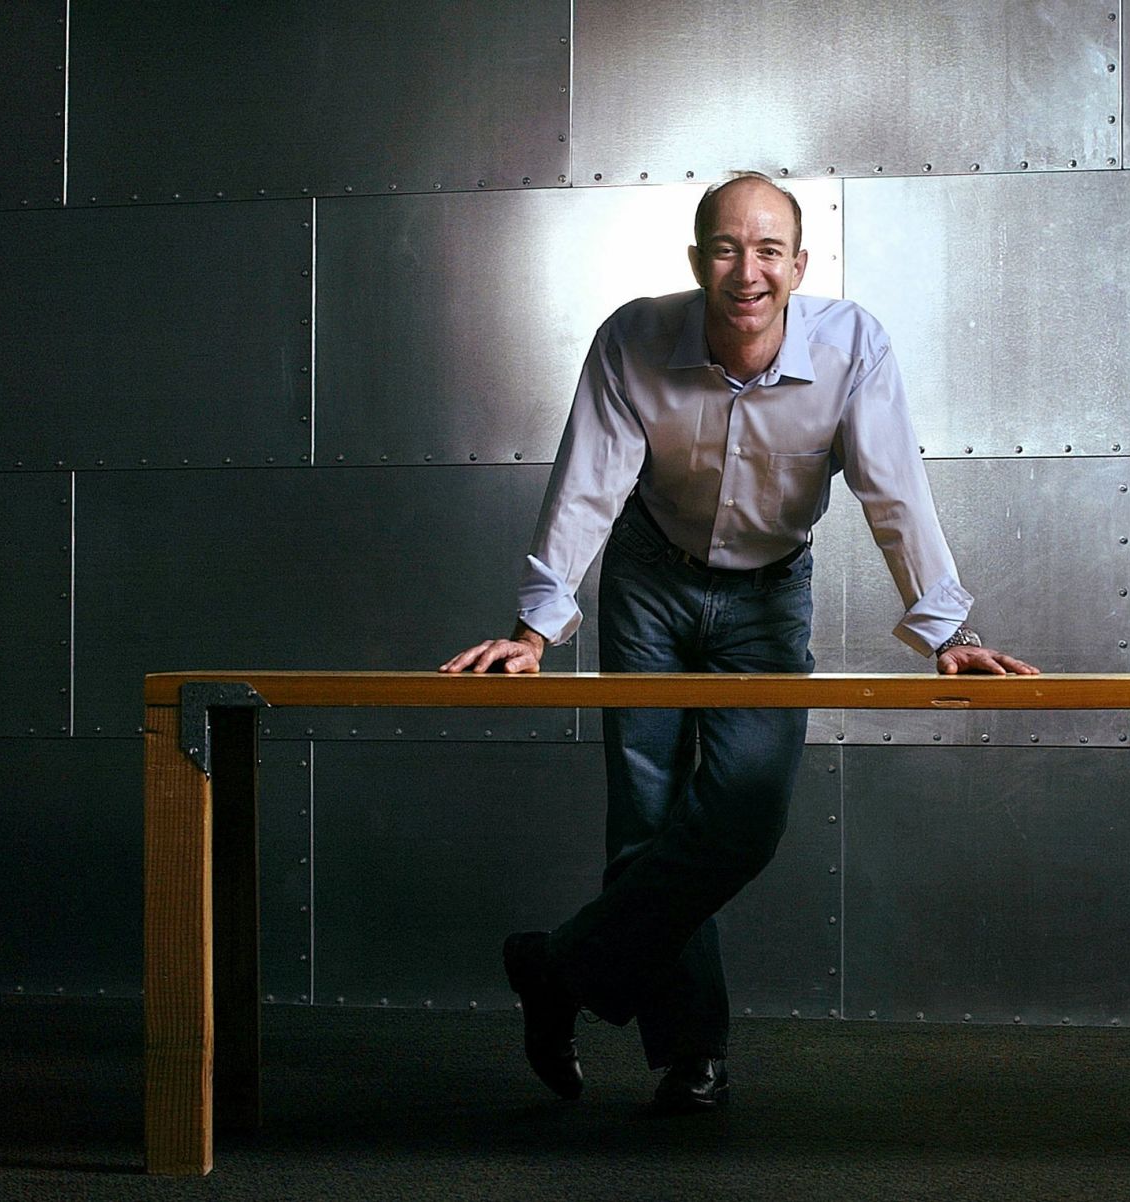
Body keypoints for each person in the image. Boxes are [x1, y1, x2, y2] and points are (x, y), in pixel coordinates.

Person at [441, 171, 1038, 1114]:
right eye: (726, 248)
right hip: (651, 577)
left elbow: (895, 492)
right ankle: (693, 1056)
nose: (746, 270)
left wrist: (946, 630)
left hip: (767, 595)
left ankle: (554, 970)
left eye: (768, 251)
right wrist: (535, 628)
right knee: (646, 821)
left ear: (798, 266)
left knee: (743, 821)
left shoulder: (853, 348)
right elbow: (587, 485)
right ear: (697, 261)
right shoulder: (632, 338)